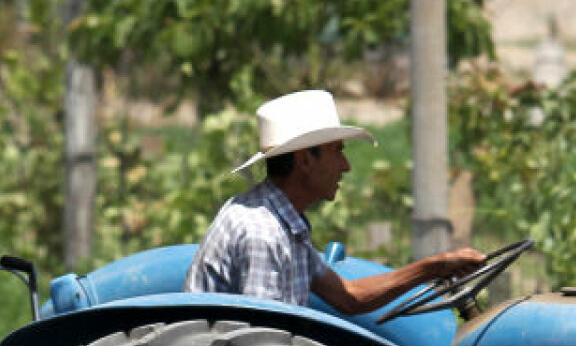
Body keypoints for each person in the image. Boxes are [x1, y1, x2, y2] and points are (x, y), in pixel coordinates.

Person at [185, 89, 486, 312]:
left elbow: (349, 296)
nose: (346, 166)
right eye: (337, 151)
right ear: (305, 160)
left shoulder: (286, 225)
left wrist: (436, 267)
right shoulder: (262, 232)